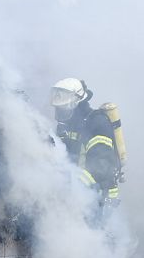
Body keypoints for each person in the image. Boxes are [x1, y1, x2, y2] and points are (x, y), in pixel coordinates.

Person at [50, 78, 123, 209]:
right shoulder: (67, 125)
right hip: (78, 196)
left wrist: (74, 185)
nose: (60, 113)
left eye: (63, 109)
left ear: (76, 103)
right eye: (58, 109)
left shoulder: (96, 123)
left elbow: (101, 165)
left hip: (99, 197)